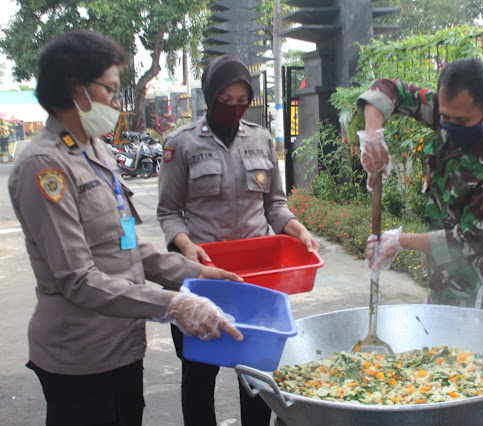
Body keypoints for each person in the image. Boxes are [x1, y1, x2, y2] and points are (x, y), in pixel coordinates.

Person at [9, 30, 246, 426]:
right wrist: (173, 305)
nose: (118, 104)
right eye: (112, 91)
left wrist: (199, 273)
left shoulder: (96, 151)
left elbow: (127, 246)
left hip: (122, 346)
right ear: (77, 90)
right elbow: (78, 279)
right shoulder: (45, 166)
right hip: (81, 357)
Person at [157, 54, 319, 426]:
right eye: (224, 101)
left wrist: (295, 227)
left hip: (256, 281)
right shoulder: (180, 144)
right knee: (199, 377)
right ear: (210, 98)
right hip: (203, 277)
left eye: (241, 101)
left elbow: (275, 205)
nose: (234, 109)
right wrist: (184, 245)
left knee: (257, 376)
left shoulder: (261, 140)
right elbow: (168, 212)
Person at [358, 58, 483, 307]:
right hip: (439, 284)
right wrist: (373, 138)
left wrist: (398, 242)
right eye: (445, 117)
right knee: (434, 346)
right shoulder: (447, 109)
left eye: (462, 121)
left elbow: (466, 242)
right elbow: (385, 88)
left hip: (478, 295)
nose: (451, 126)